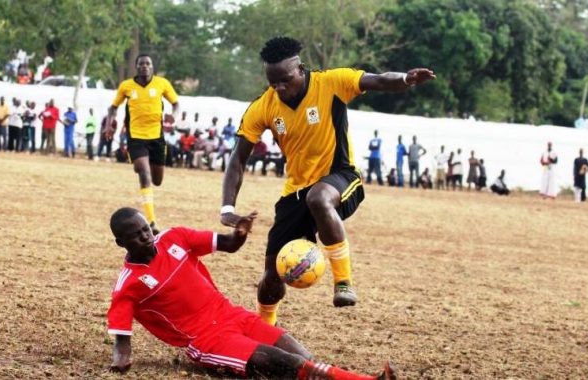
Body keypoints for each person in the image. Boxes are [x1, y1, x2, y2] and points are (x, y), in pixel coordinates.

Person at [220, 37, 435, 324]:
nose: (280, 88)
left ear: (300, 69)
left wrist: (406, 79)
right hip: (294, 191)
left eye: (285, 80)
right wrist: (227, 208)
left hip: (342, 178)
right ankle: (264, 329)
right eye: (273, 83)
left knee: (318, 198)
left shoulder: (332, 83)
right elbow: (238, 158)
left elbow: (379, 80)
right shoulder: (263, 107)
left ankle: (343, 282)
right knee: (271, 275)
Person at [106, 207, 396, 380]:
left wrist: (240, 234)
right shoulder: (129, 283)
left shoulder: (174, 237)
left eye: (146, 228)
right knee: (291, 366)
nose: (146, 236)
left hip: (232, 315)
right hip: (208, 340)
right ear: (121, 242)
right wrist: (122, 357)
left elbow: (228, 244)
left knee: (303, 356)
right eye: (136, 234)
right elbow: (121, 332)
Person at [105, 53, 180, 234]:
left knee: (157, 180)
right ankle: (152, 222)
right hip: (136, 137)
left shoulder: (162, 84)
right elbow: (113, 107)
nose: (145, 66)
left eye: (148, 63)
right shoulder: (126, 86)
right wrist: (109, 124)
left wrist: (173, 116)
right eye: (141, 64)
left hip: (157, 138)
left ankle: (142, 165)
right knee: (144, 173)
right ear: (136, 67)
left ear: (152, 67)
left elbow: (176, 104)